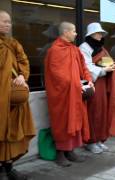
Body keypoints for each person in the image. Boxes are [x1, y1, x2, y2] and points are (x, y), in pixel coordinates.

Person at [45, 22, 94, 167]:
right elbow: (57, 75)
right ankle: (60, 153)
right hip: (61, 94)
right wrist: (76, 84)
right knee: (62, 122)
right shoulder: (55, 50)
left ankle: (70, 150)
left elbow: (83, 67)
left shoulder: (74, 49)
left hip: (75, 92)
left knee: (76, 119)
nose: (76, 33)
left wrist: (89, 80)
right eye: (73, 31)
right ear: (65, 32)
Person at [0, 10, 36, 180]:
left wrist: (22, 75)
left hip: (12, 99)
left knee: (11, 132)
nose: (8, 24)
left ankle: (8, 168)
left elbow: (23, 61)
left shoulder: (13, 43)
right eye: (3, 21)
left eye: (9, 22)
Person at [79, 22, 115, 154]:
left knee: (103, 111)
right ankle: (90, 141)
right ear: (91, 34)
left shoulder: (102, 48)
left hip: (103, 83)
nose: (100, 36)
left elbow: (107, 60)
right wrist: (104, 70)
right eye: (98, 33)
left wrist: (112, 66)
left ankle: (100, 139)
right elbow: (85, 67)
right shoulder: (84, 47)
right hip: (93, 83)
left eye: (102, 34)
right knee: (93, 112)